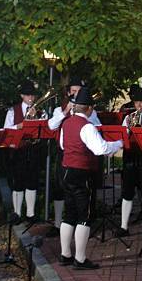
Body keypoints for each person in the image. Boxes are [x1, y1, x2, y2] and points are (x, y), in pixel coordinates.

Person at [59, 87, 123, 270]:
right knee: (85, 215)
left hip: (66, 170)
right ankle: (80, 259)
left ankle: (65, 254)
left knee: (69, 213)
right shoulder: (87, 126)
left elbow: (63, 145)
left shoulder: (66, 123)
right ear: (89, 109)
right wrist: (119, 143)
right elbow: (100, 149)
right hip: (82, 172)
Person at [46, 78, 101, 237]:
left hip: (83, 155)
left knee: (83, 194)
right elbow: (51, 126)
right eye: (74, 91)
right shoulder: (59, 109)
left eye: (79, 91)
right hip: (65, 155)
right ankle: (58, 223)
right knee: (61, 189)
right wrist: (66, 112)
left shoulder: (90, 111)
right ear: (68, 92)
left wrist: (81, 114)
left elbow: (97, 128)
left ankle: (83, 224)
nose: (76, 94)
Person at [4, 80, 43, 223]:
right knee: (18, 182)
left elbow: (44, 128)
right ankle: (17, 214)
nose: (31, 98)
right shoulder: (13, 110)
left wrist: (37, 117)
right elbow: (7, 129)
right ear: (22, 96)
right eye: (28, 95)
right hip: (18, 151)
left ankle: (30, 214)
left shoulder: (39, 110)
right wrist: (20, 125)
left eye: (32, 95)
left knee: (32, 181)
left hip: (33, 150)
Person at [117, 86, 142, 237]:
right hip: (130, 159)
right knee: (127, 192)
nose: (139, 105)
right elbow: (122, 136)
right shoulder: (128, 117)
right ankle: (123, 226)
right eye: (137, 102)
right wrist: (129, 128)